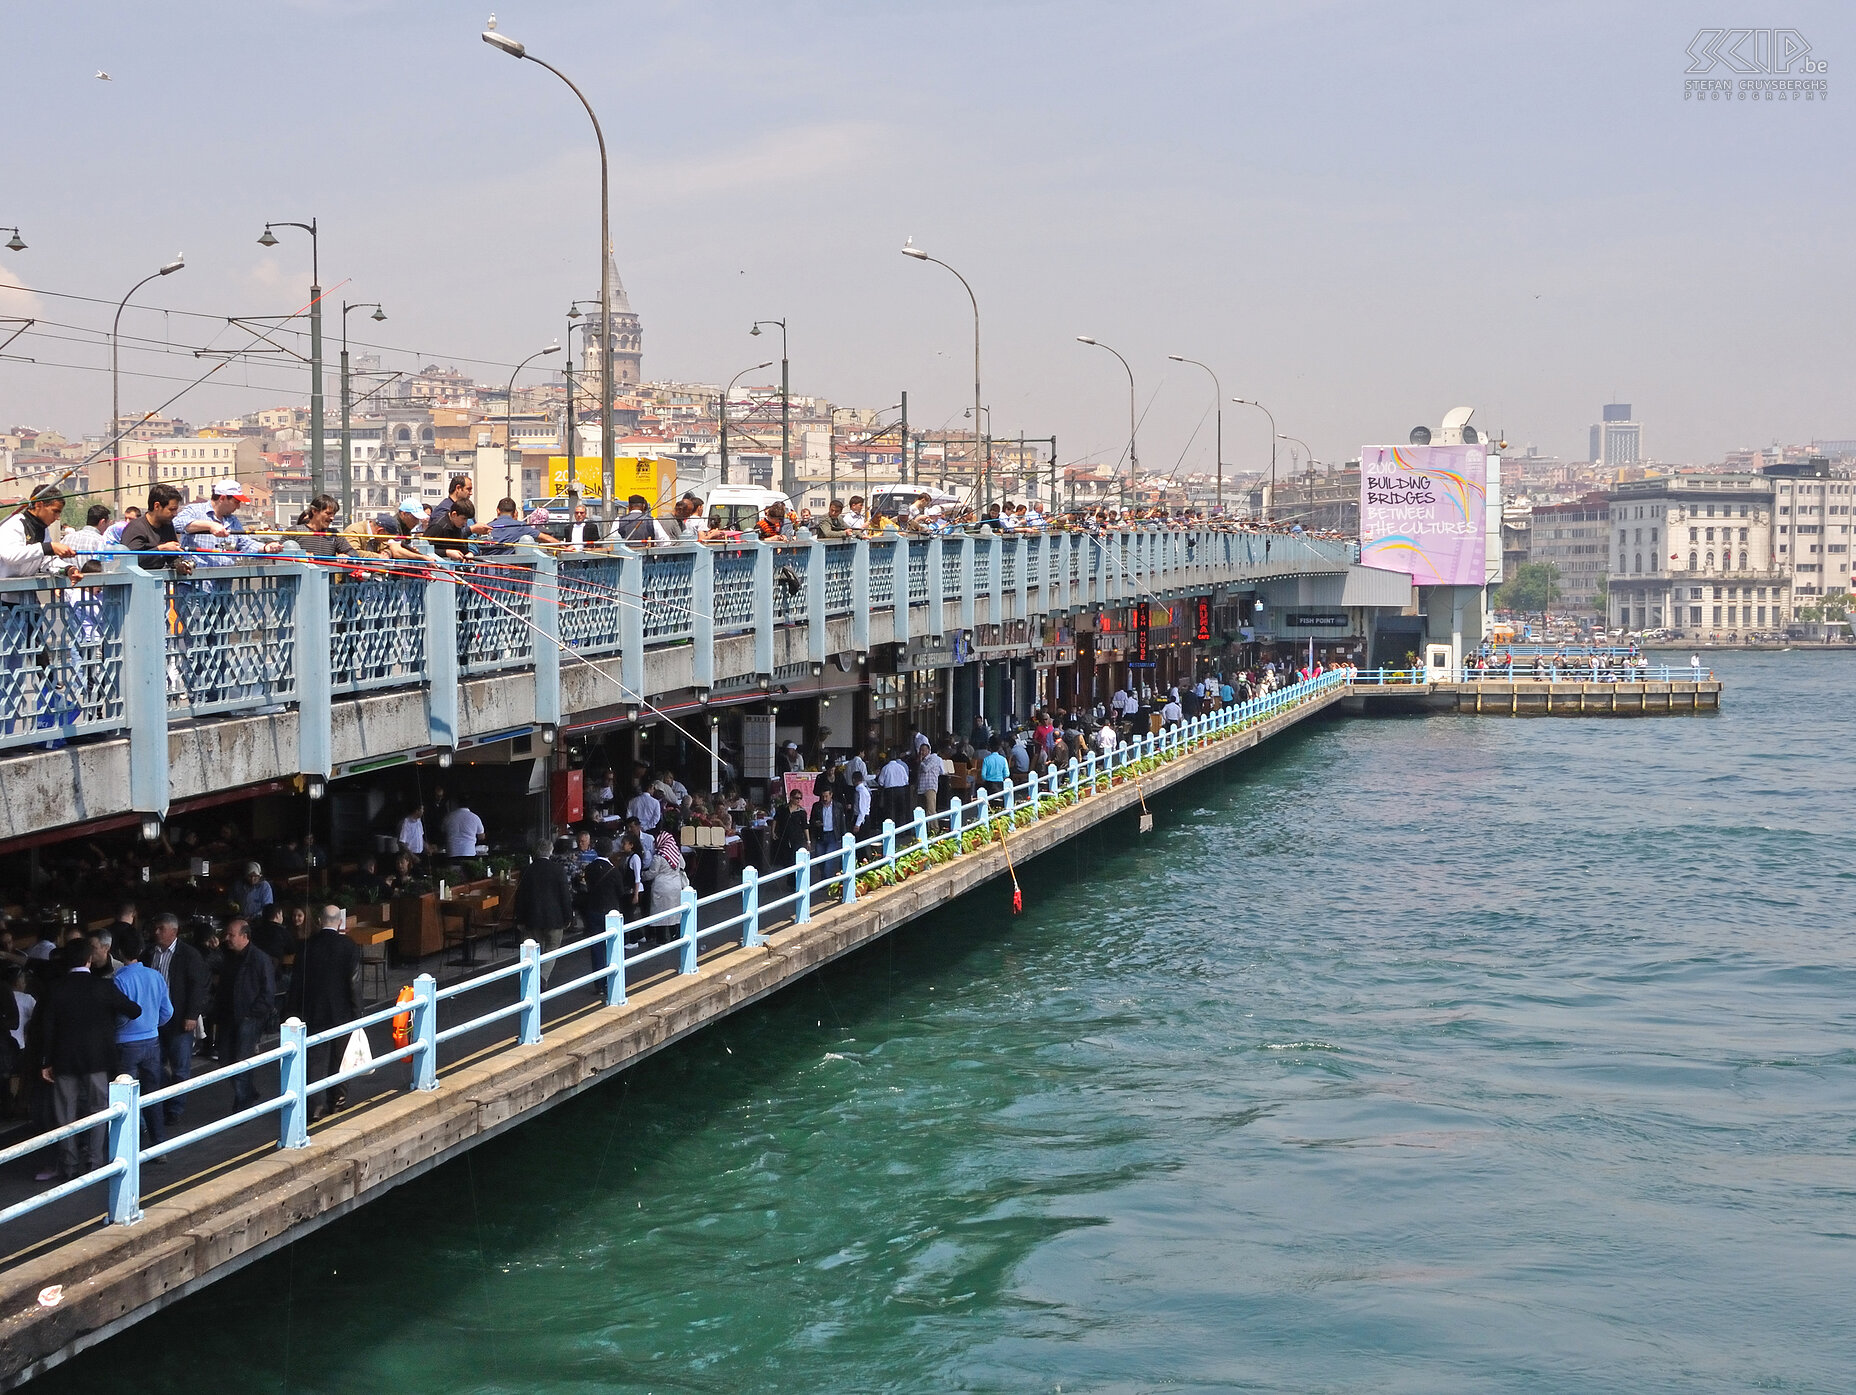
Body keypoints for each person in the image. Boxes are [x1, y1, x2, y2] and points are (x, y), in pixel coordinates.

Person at [34, 935, 140, 1181]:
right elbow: (134, 1010)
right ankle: (95, 1162)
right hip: (98, 1060)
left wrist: (46, 1061)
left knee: (65, 1113)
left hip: (63, 1060)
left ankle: (69, 1165)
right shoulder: (103, 987)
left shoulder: (56, 989)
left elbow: (46, 1028)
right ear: (89, 959)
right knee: (98, 1111)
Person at [288, 906, 360, 1120]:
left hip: (312, 1010)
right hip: (341, 1010)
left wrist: (292, 1011)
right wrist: (358, 1011)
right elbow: (353, 983)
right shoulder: (349, 946)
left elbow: (296, 983)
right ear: (340, 922)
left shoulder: (306, 947)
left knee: (314, 1061)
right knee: (340, 1058)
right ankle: (337, 1101)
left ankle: (313, 1107)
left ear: (320, 921)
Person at [110, 926, 173, 1149]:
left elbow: (118, 1016)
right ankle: (159, 1144)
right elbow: (168, 1011)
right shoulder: (155, 976)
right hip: (152, 1041)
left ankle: (129, 1146)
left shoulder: (118, 979)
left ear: (118, 952)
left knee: (126, 1095)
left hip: (126, 1044)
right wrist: (152, 1024)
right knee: (152, 1093)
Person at [147, 912, 208, 1130]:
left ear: (174, 931)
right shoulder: (149, 953)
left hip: (179, 1018)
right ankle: (161, 1102)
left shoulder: (189, 955)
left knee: (180, 1067)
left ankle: (175, 1109)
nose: (156, 932)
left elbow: (199, 987)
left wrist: (192, 1015)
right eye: (155, 928)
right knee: (155, 1065)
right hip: (154, 1020)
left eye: (160, 928)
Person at [217, 918, 276, 1111]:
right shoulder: (227, 955)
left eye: (231, 935)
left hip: (248, 1017)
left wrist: (252, 1015)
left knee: (242, 1058)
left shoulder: (260, 959)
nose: (227, 938)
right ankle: (248, 1091)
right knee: (226, 1060)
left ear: (245, 936)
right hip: (228, 1016)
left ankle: (242, 1104)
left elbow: (268, 992)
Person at [175, 479, 279, 565]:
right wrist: (210, 525)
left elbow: (246, 544)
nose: (238, 506)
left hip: (222, 585)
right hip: (195, 584)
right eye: (236, 502)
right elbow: (177, 523)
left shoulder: (233, 521)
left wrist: (265, 547)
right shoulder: (195, 510)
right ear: (222, 498)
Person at [513, 839, 575, 983]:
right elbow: (565, 896)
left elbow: (521, 896)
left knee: (533, 948)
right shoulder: (558, 870)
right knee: (552, 949)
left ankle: (532, 977)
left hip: (532, 917)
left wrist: (519, 918)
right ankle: (543, 976)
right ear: (551, 851)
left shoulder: (527, 870)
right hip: (555, 917)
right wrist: (568, 917)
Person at [0, 484, 83, 581]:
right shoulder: (14, 524)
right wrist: (48, 547)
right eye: (55, 511)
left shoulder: (44, 530)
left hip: (26, 593)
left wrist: (68, 569)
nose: (58, 517)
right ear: (39, 505)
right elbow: (11, 556)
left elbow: (46, 561)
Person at [648, 813, 689, 924]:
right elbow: (683, 865)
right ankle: (675, 935)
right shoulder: (676, 853)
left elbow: (652, 873)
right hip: (675, 885)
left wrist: (642, 876)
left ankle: (662, 939)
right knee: (674, 915)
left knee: (660, 915)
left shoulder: (659, 856)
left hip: (661, 887)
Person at [914, 742, 944, 817]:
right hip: (921, 788)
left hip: (930, 787)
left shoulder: (934, 758)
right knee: (921, 810)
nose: (921, 752)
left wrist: (920, 762)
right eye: (920, 750)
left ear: (928, 751)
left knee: (931, 810)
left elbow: (926, 769)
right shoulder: (922, 761)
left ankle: (934, 828)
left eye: (923, 750)